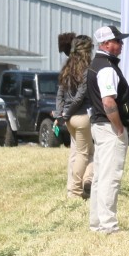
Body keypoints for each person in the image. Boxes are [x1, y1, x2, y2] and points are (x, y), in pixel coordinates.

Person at [86, 25, 129, 235]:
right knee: (110, 177)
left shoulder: (97, 64)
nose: (121, 45)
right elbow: (108, 102)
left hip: (99, 126)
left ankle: (97, 223)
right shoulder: (106, 67)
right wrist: (118, 127)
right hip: (108, 127)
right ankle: (108, 226)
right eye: (118, 41)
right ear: (106, 44)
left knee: (100, 177)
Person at [56, 34, 95, 201]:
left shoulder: (66, 68)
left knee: (79, 152)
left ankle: (84, 182)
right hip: (82, 116)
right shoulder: (87, 70)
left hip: (70, 120)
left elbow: (59, 95)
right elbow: (80, 96)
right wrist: (68, 112)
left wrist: (61, 114)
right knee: (85, 154)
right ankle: (77, 188)